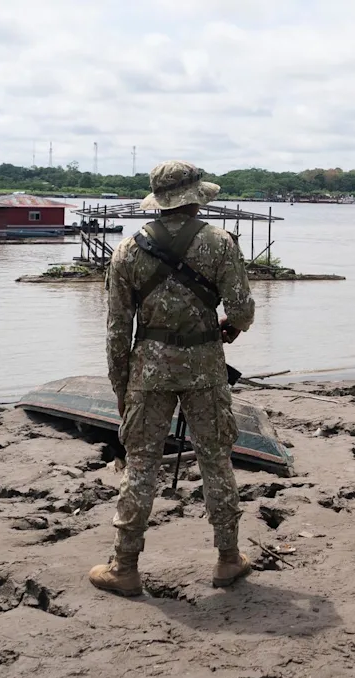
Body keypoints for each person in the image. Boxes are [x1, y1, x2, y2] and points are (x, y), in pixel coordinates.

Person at [91, 160, 256, 596]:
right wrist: (232, 328)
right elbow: (242, 310)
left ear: (159, 201)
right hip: (205, 369)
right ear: (196, 199)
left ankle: (125, 567)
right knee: (216, 460)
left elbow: (116, 330)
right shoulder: (220, 243)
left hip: (148, 373)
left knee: (141, 465)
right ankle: (228, 559)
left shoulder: (127, 251)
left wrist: (120, 386)